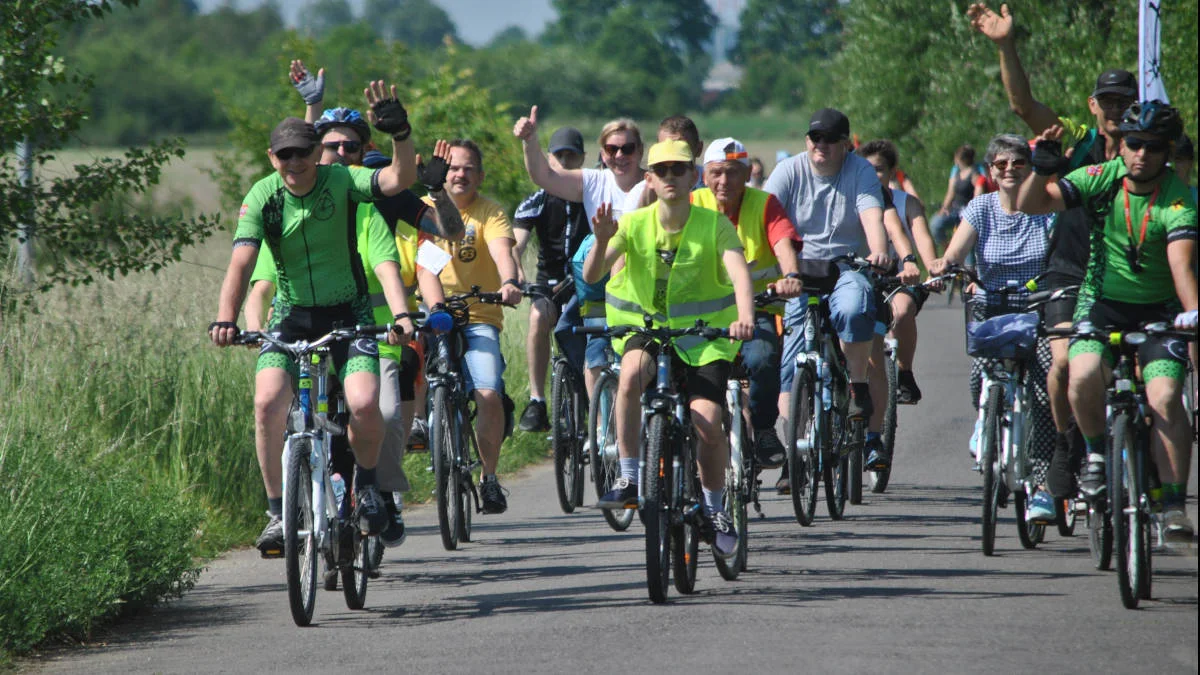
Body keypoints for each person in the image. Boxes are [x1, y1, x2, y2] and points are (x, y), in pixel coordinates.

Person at [209, 80, 419, 553]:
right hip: (291, 315)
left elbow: (396, 181)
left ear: (317, 153)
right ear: (272, 158)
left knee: (365, 405)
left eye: (304, 153)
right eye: (286, 156)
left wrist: (400, 135)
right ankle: (275, 512)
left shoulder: (342, 181)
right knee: (267, 404)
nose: (296, 163)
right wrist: (226, 318)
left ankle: (366, 486)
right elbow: (242, 263)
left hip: (349, 313)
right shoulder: (263, 197)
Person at [967, 4, 1140, 498]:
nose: (1114, 110)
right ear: (1092, 106)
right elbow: (1024, 106)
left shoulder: (1151, 153)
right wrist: (1005, 45)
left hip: (1128, 275)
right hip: (1069, 271)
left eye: (1123, 101)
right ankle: (1067, 446)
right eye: (1106, 101)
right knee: (1063, 364)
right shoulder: (1079, 143)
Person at [1017, 101, 1197, 541]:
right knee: (1080, 376)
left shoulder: (1178, 199)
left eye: (1154, 148)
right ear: (1122, 145)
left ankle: (1173, 507)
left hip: (1159, 311)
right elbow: (1031, 205)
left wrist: (1192, 314)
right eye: (1134, 143)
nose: (1142, 154)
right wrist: (1042, 169)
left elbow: (1181, 267)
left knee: (1166, 397)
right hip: (1100, 304)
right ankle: (1095, 456)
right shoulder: (1101, 178)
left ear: (1167, 152)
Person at [582, 139, 756, 557]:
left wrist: (745, 316)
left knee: (707, 425)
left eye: (679, 170)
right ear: (650, 179)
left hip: (704, 337)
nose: (671, 177)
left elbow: (738, 272)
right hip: (645, 329)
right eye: (662, 171)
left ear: (693, 176)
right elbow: (592, 275)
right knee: (629, 376)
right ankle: (627, 476)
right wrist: (603, 240)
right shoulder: (634, 222)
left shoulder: (713, 224)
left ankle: (714, 510)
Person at [765, 108, 896, 486]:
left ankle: (856, 388)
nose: (819, 146)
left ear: (845, 144)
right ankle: (796, 453)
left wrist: (879, 251)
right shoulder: (789, 171)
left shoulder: (860, 171)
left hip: (847, 265)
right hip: (799, 270)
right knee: (790, 367)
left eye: (828, 140)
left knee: (856, 309)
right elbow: (767, 215)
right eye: (814, 138)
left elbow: (872, 214)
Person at [930, 134, 1057, 521]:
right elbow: (956, 251)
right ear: (991, 170)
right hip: (991, 306)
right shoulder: (981, 208)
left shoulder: (1047, 208)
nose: (1009, 170)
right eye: (1001, 164)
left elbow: (1064, 253)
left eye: (1018, 162)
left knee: (1041, 389)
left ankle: (1040, 486)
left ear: (1029, 167)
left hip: (1038, 310)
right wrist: (943, 266)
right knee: (978, 375)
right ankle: (985, 421)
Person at [513, 109, 649, 400]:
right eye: (612, 149)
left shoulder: (652, 184)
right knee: (587, 348)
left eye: (628, 148)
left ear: (641, 150)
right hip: (601, 284)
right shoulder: (595, 181)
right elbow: (544, 175)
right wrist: (530, 140)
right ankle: (599, 433)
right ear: (602, 152)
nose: (620, 155)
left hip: (644, 284)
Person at [418, 139, 522, 514]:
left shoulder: (489, 213)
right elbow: (423, 264)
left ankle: (489, 478)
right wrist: (434, 306)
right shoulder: (424, 211)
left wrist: (509, 283)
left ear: (479, 175)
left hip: (479, 314)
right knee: (411, 363)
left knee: (488, 393)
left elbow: (502, 252)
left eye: (468, 169)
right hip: (433, 312)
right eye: (453, 168)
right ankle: (419, 425)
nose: (459, 174)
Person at [692, 137, 803, 468]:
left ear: (747, 173)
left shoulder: (764, 204)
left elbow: (783, 243)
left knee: (764, 357)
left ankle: (765, 428)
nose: (724, 181)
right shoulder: (691, 203)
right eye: (716, 173)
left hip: (757, 309)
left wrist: (791, 276)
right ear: (704, 175)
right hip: (704, 312)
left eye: (732, 172)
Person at [512, 127, 590, 432]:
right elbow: (515, 244)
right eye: (560, 155)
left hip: (588, 283)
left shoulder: (594, 194)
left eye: (573, 155)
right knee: (537, 318)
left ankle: (597, 403)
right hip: (550, 283)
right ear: (550, 159)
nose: (566, 161)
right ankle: (537, 401)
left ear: (583, 158)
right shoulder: (538, 200)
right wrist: (516, 271)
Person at [858, 139, 939, 404]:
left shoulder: (907, 203)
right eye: (867, 169)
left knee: (902, 310)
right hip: (864, 277)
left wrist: (929, 269)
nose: (873, 175)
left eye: (879, 169)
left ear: (892, 172)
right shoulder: (855, 200)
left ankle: (905, 373)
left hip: (901, 277)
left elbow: (922, 237)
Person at [930, 144, 981, 248]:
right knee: (936, 224)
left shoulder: (974, 173)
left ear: (960, 158)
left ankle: (966, 261)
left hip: (967, 211)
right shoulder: (956, 172)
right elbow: (951, 192)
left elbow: (978, 194)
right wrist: (944, 208)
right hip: (954, 210)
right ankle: (947, 248)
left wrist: (972, 212)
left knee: (964, 241)